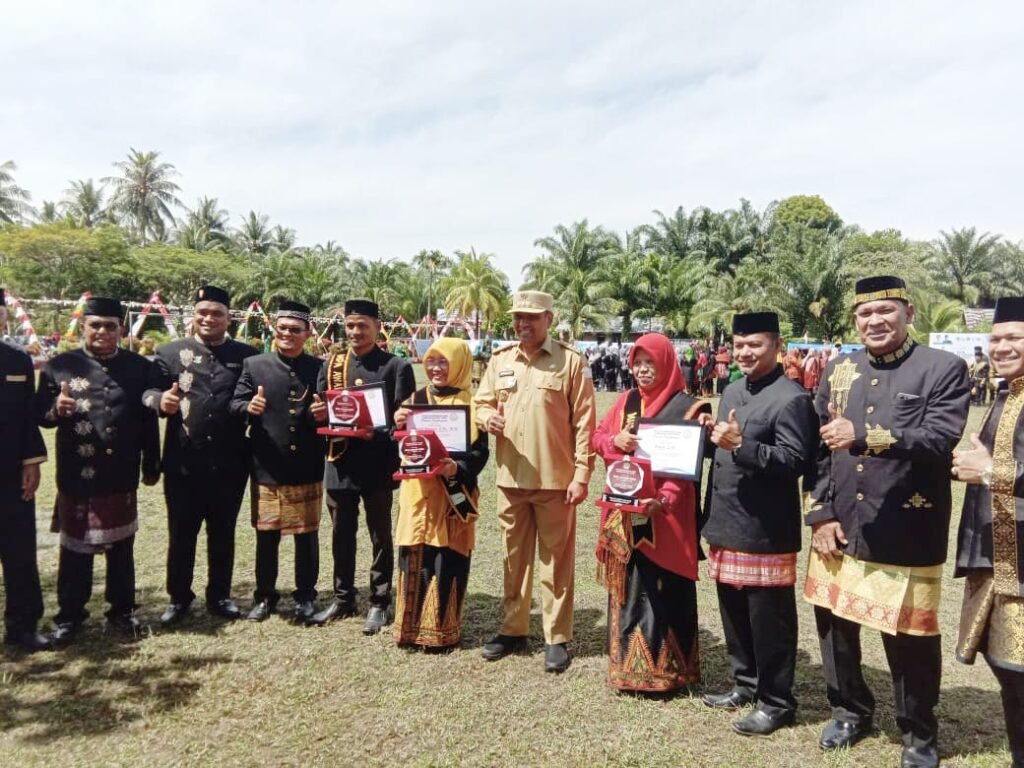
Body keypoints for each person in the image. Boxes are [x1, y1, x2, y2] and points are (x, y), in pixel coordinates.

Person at [804, 276, 970, 767]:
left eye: (886, 312)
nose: (874, 321)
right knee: (835, 627)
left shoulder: (943, 368)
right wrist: (820, 513)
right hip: (841, 523)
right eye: (864, 314)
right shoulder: (838, 369)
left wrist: (868, 434)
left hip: (906, 525)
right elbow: (818, 450)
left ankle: (919, 733)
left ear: (909, 313)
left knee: (908, 639)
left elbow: (939, 437)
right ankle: (850, 710)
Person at [699, 312, 817, 736]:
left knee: (770, 621)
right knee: (732, 611)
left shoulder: (792, 398)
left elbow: (794, 462)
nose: (745, 353)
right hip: (727, 519)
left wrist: (742, 445)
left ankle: (777, 700)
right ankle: (745, 684)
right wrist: (709, 437)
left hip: (765, 528)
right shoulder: (731, 389)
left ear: (777, 345)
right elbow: (727, 448)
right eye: (739, 345)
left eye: (756, 345)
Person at [474, 290, 596, 672]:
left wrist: (581, 474)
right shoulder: (500, 359)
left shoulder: (570, 362)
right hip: (511, 478)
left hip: (556, 481)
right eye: (518, 318)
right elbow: (481, 401)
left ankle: (556, 637)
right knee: (514, 557)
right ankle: (513, 629)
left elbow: (585, 423)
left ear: (549, 318)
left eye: (531, 317)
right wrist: (484, 417)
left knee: (556, 561)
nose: (523, 324)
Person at [36, 297, 160, 644]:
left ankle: (122, 612)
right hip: (79, 471)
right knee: (74, 550)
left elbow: (148, 421)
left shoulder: (139, 366)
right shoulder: (59, 365)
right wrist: (55, 411)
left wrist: (152, 463)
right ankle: (70, 617)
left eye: (110, 326)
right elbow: (39, 416)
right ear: (84, 327)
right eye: (96, 325)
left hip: (121, 470)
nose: (103, 332)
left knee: (122, 548)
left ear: (121, 328)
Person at [592, 332, 710, 692]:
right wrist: (615, 441)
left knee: (663, 587)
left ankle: (670, 671)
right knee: (630, 585)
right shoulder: (627, 401)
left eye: (650, 363)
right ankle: (627, 667)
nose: (642, 370)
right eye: (637, 363)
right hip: (625, 510)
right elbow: (596, 437)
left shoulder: (690, 407)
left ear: (667, 364)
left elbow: (686, 469)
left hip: (668, 517)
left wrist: (666, 500)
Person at [144, 286, 259, 626]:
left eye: (217, 313)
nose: (209, 319)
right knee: (181, 533)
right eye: (203, 312)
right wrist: (159, 402)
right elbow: (148, 392)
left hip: (230, 463)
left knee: (223, 532)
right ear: (194, 315)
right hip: (183, 462)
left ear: (229, 318)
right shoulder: (168, 353)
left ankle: (220, 595)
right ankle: (179, 597)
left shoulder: (246, 356)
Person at [310, 299, 415, 634]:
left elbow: (404, 420)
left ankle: (380, 601)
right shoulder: (331, 364)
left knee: (380, 534)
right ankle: (343, 597)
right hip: (339, 462)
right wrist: (318, 414)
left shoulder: (396, 367)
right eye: (350, 326)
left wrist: (379, 432)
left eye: (362, 325)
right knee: (341, 534)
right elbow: (322, 404)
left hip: (377, 463)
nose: (355, 332)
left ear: (377, 327)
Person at [952, 296, 1024, 768]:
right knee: (1007, 668)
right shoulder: (1008, 392)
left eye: (1013, 338)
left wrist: (994, 470)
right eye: (995, 339)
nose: (1001, 347)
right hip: (998, 558)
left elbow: (999, 468)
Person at [230, 301, 327, 624]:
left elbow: (334, 408)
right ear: (274, 330)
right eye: (282, 328)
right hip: (267, 465)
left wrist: (322, 413)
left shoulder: (319, 368)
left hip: (307, 464)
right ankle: (265, 596)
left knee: (306, 537)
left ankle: (305, 596)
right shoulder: (254, 365)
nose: (288, 334)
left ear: (307, 333)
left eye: (295, 330)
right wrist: (249, 407)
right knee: (266, 535)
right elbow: (235, 403)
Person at [392, 338, 489, 649]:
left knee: (447, 558)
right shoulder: (414, 401)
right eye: (431, 361)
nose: (435, 368)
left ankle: (441, 631)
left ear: (459, 363)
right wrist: (397, 426)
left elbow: (479, 455)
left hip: (452, 496)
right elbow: (400, 446)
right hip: (417, 494)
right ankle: (409, 628)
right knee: (415, 556)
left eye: (443, 362)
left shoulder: (474, 406)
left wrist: (455, 468)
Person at [0, 290, 51, 652]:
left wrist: (32, 461)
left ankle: (23, 625)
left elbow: (28, 417)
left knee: (19, 551)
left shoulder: (17, 359)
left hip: (10, 472)